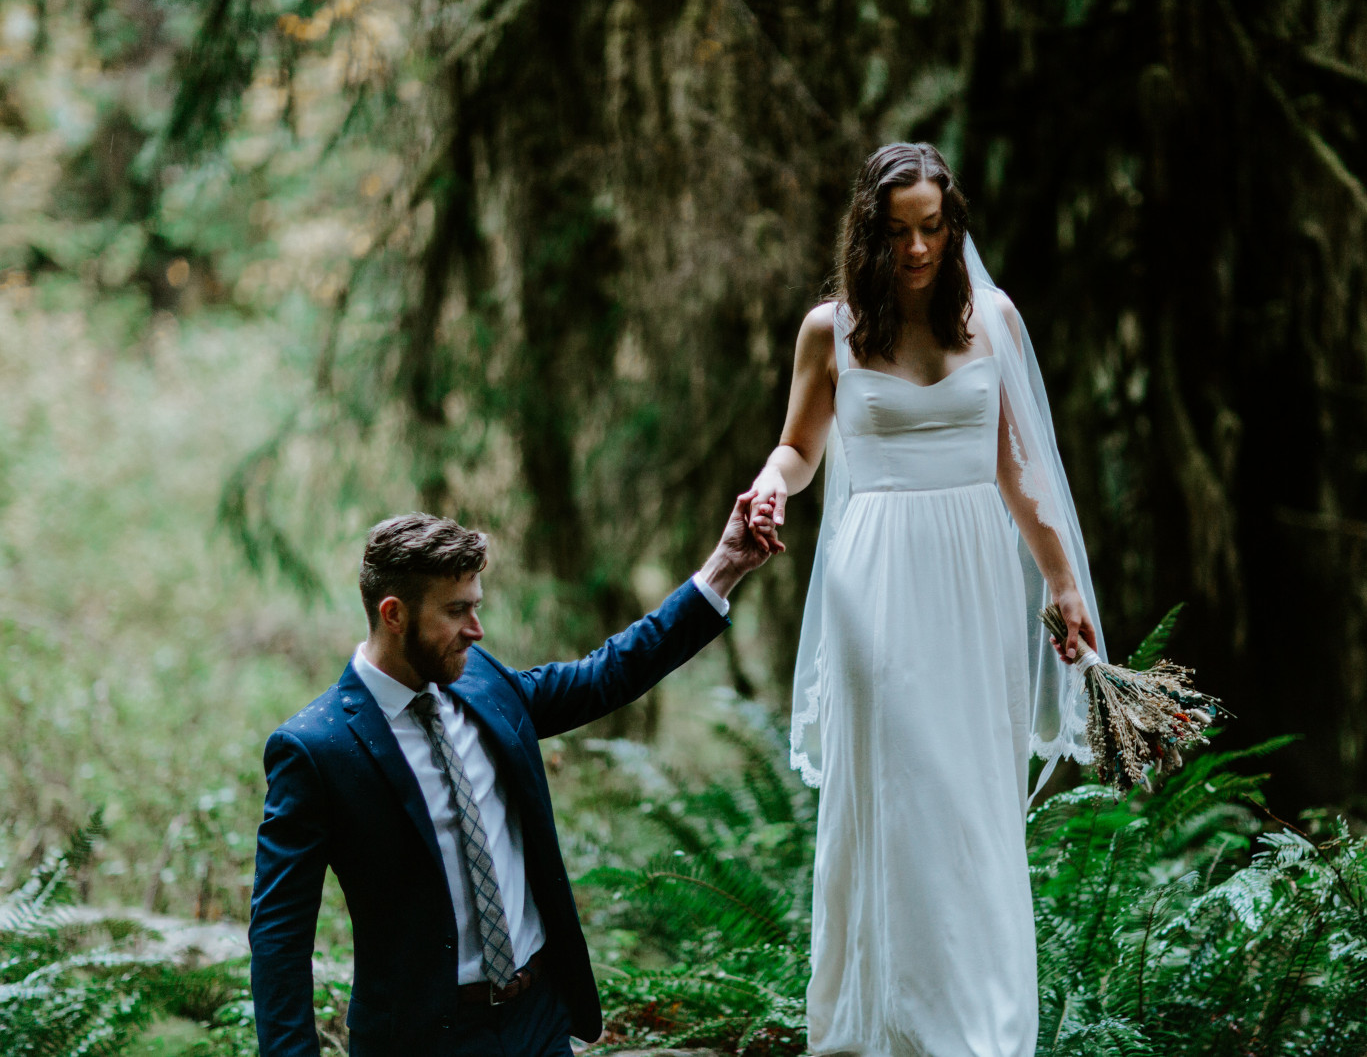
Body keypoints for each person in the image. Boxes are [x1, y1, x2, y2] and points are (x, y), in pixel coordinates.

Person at [741, 142, 1106, 1056]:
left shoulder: (995, 320)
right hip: (877, 573)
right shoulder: (831, 329)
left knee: (970, 794)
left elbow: (1020, 467)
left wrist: (1061, 577)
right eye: (898, 231)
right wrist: (771, 484)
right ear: (870, 231)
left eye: (932, 229)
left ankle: (975, 1028)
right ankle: (884, 1023)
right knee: (898, 785)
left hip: (977, 574)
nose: (916, 249)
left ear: (954, 226)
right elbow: (800, 447)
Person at [248, 494, 776, 1057]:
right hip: (422, 1039)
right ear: (394, 614)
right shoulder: (315, 748)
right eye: (455, 611)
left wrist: (724, 567)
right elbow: (280, 937)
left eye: (476, 605)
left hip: (539, 1019)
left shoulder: (484, 683)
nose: (476, 629)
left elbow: (607, 674)